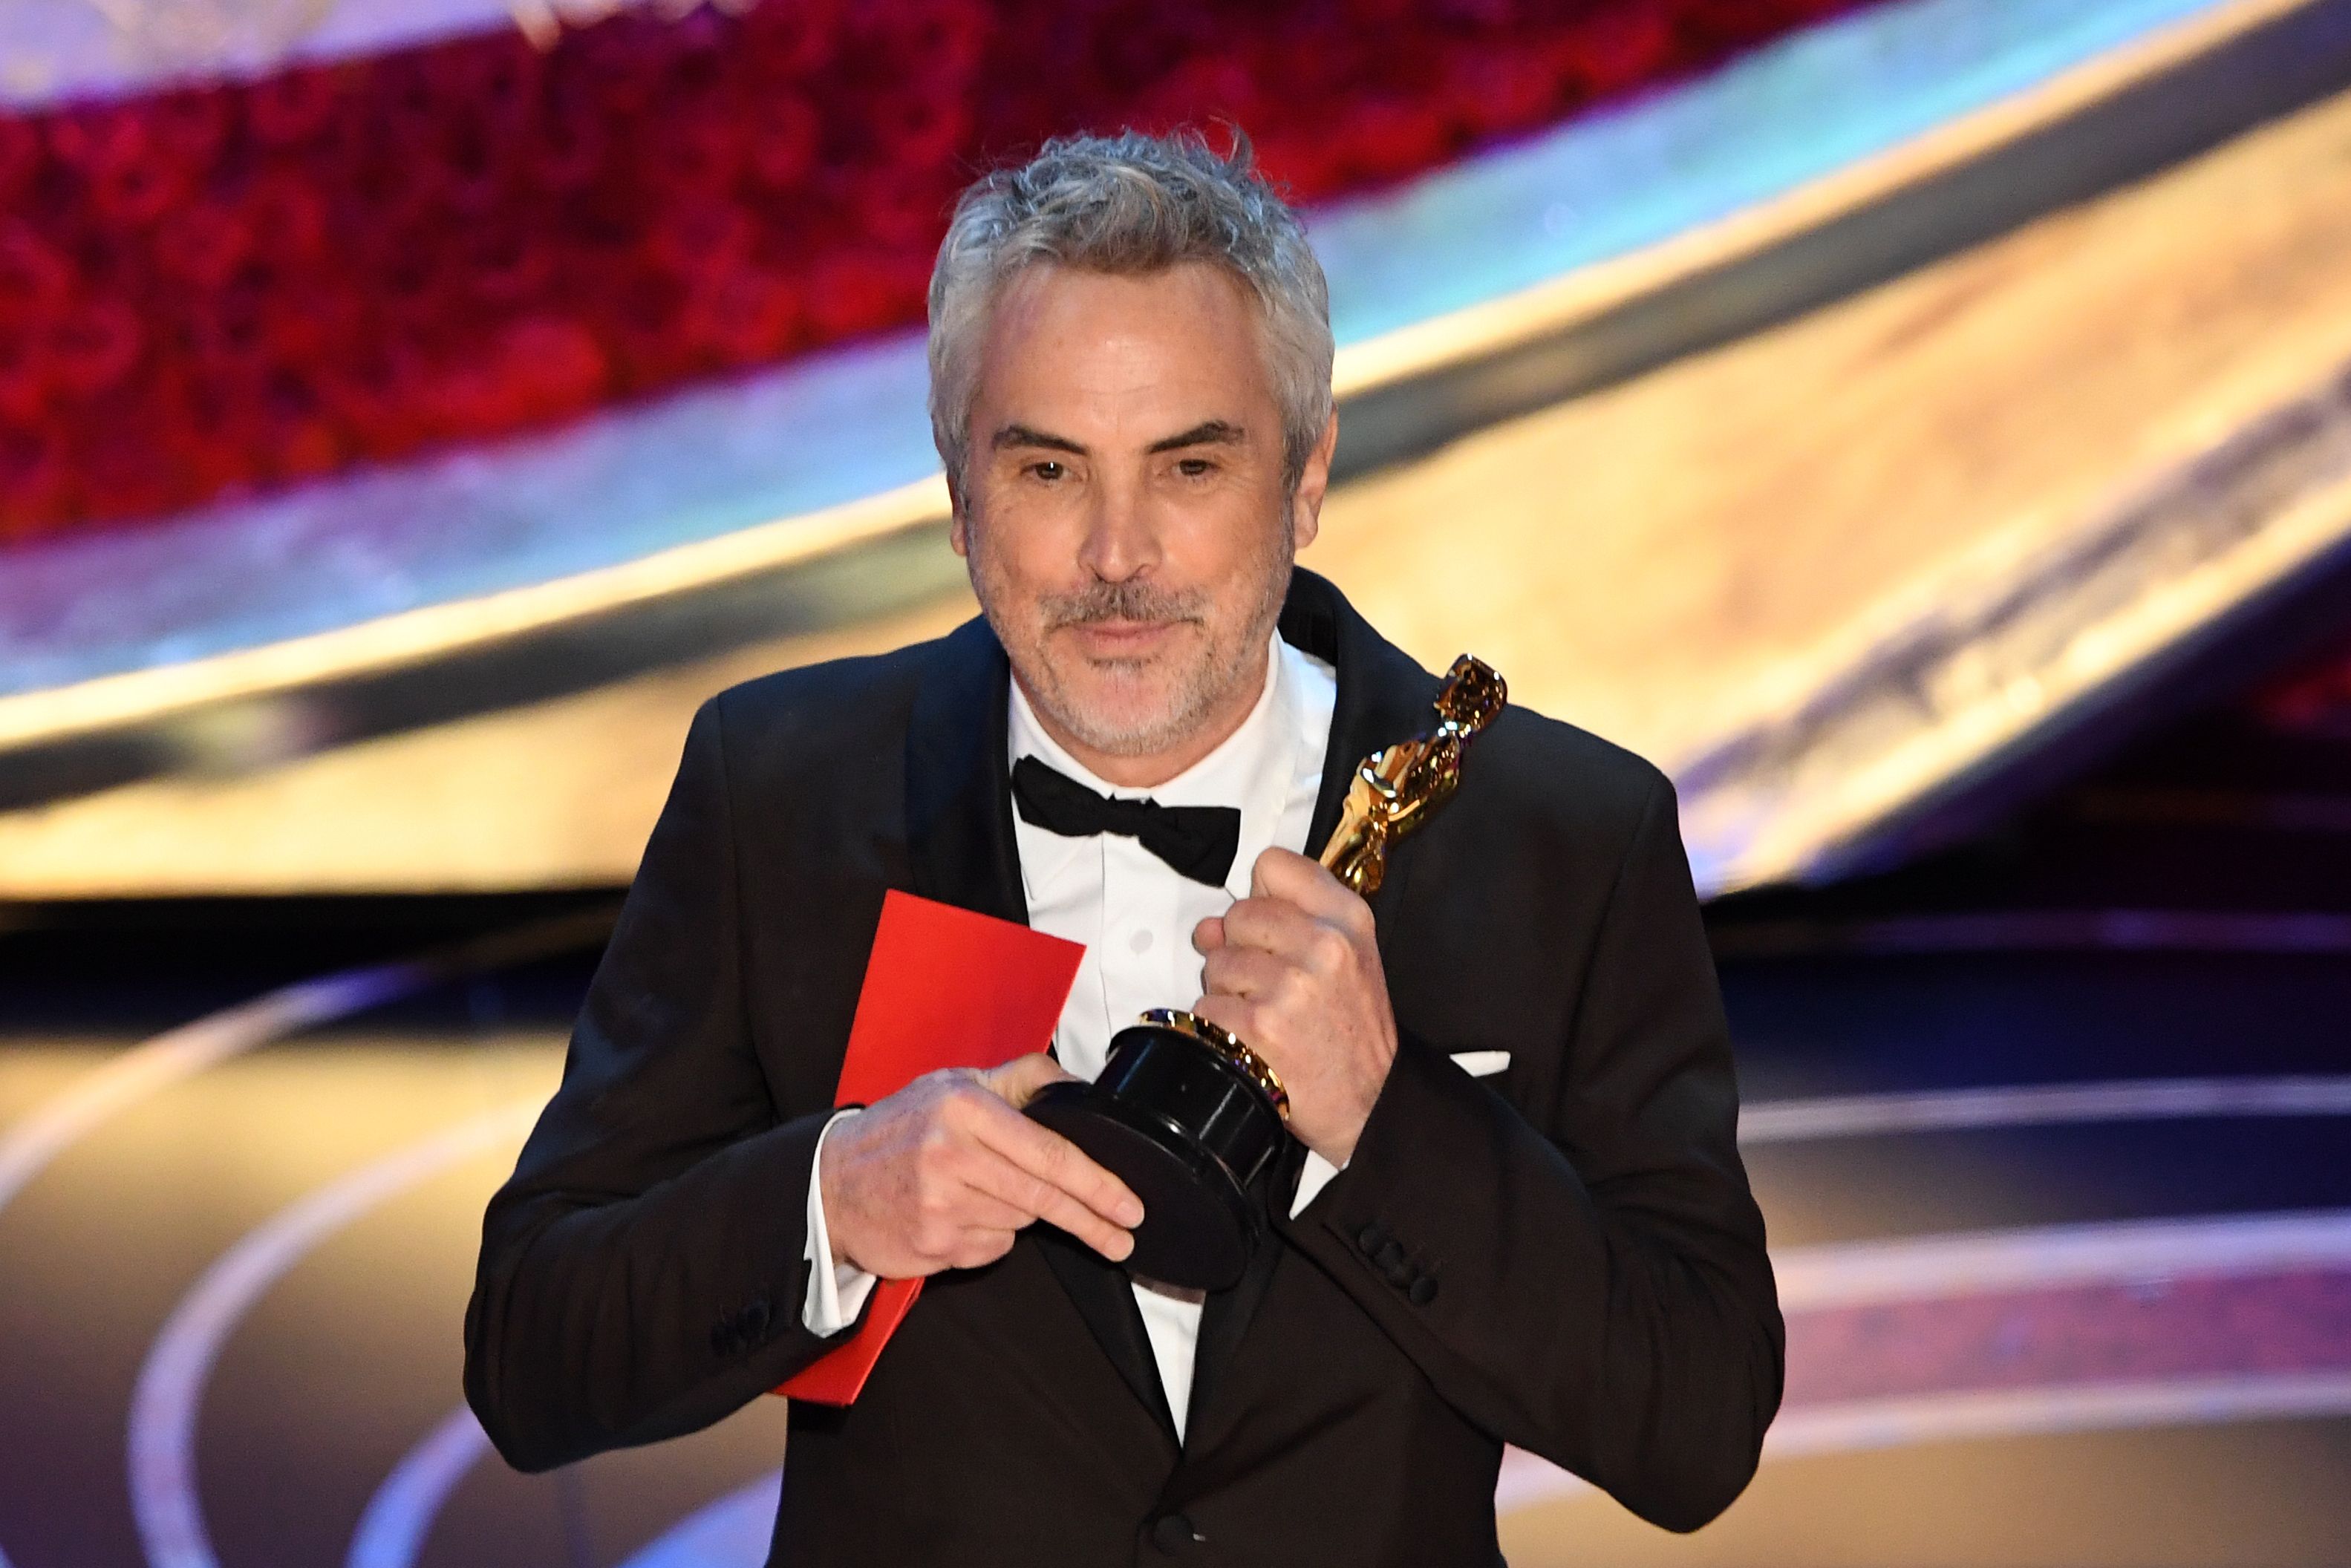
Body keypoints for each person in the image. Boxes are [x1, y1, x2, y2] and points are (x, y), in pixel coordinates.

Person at [464, 129, 1781, 1566]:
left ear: (1306, 478)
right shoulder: (777, 795)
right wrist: (832, 1205)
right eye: (1047, 470)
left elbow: (1694, 1423)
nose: (1116, 555)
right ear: (959, 492)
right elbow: (533, 1352)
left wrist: (1384, 1121)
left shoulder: (1554, 833)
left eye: (1189, 466)